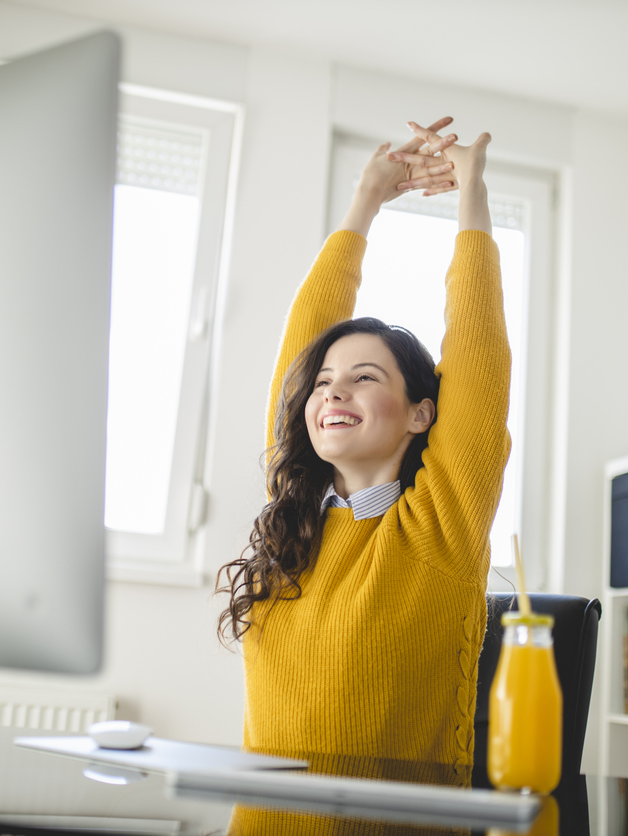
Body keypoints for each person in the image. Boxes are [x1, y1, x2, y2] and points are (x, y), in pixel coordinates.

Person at [216, 117, 511, 788]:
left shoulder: (441, 526)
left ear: (421, 414)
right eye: (323, 384)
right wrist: (365, 200)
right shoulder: (291, 519)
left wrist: (472, 191)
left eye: (364, 377)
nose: (332, 393)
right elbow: (303, 349)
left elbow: (478, 356)